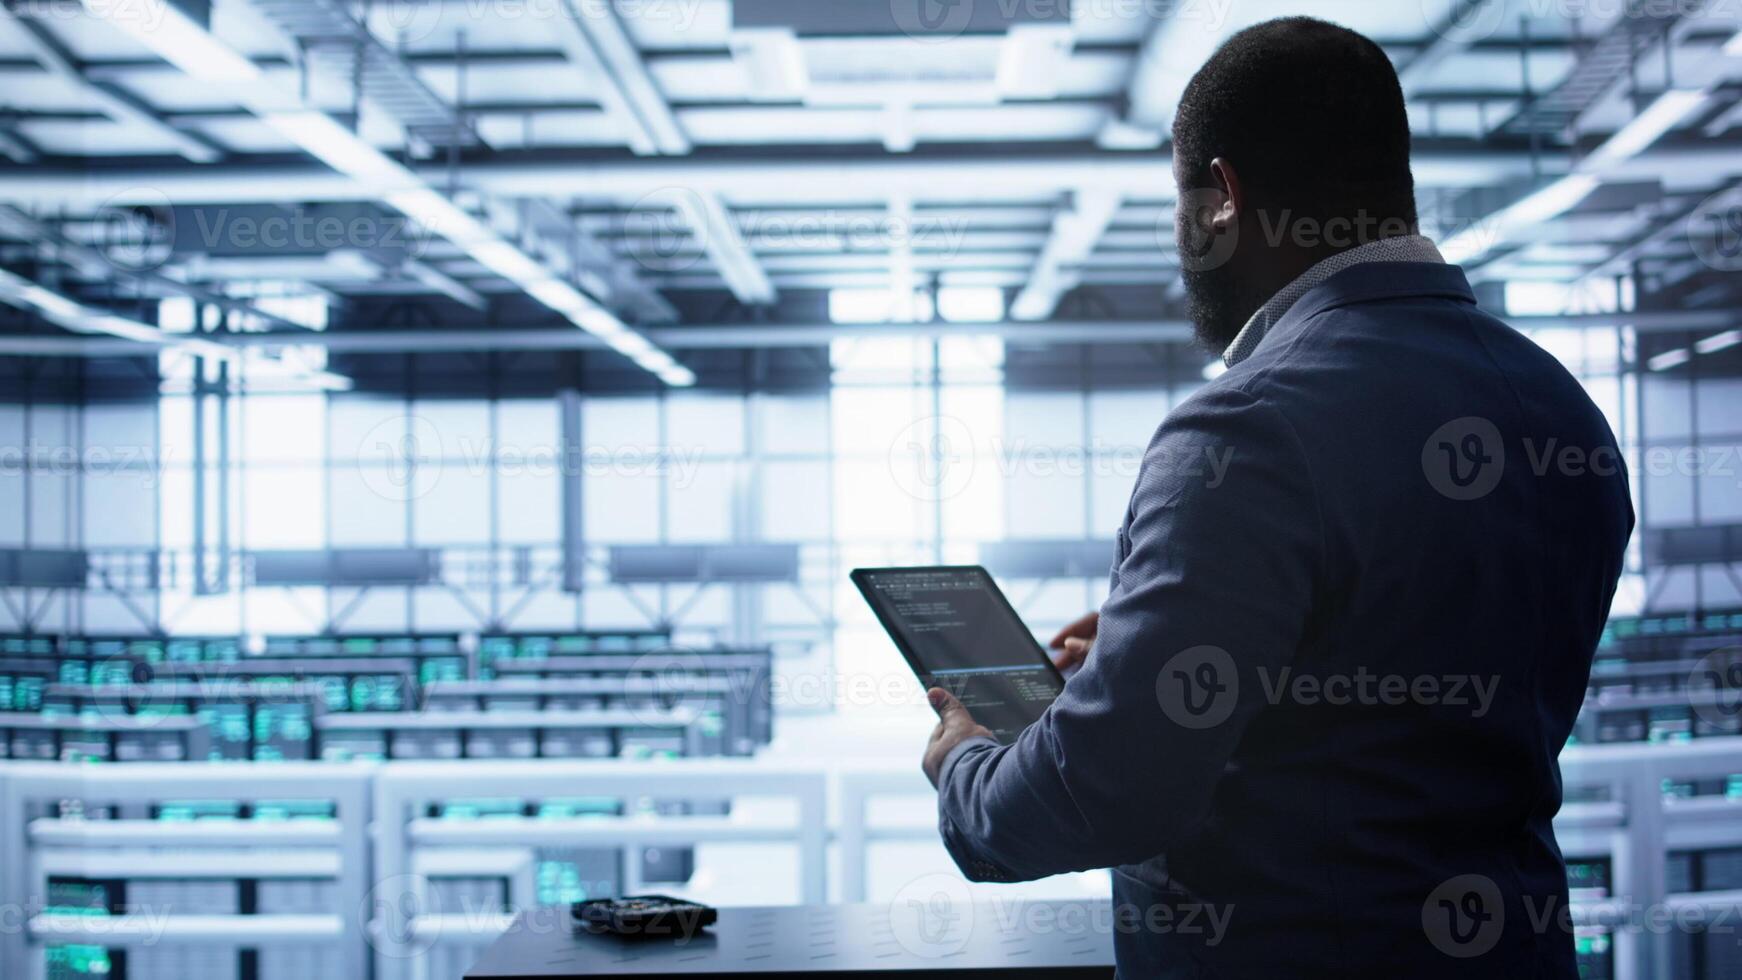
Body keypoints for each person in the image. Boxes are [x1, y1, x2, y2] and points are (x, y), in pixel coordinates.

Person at [919, 16, 1634, 978]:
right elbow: (1401, 697)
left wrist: (964, 764)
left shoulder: (1247, 428)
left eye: (1179, 201)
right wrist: (1158, 653)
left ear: (1221, 196)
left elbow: (1112, 791)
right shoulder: (1562, 409)